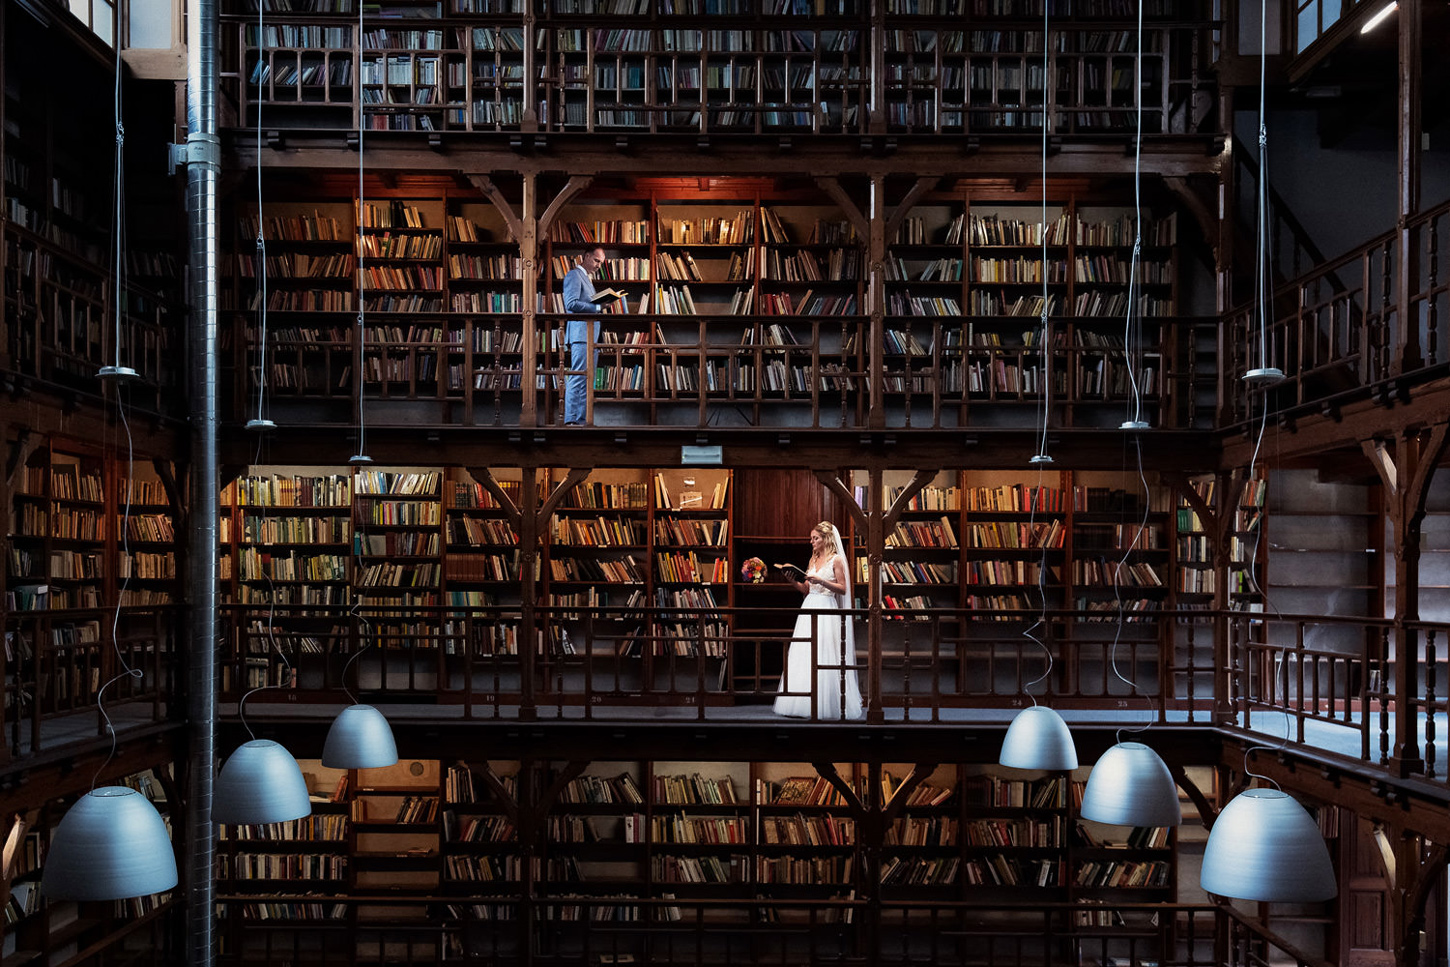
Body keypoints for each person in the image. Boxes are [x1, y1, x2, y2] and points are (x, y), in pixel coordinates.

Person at [773, 521, 865, 720]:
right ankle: (800, 700)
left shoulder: (836, 560)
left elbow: (843, 588)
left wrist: (822, 581)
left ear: (826, 539)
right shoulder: (813, 558)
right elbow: (807, 589)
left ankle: (827, 702)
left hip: (826, 607)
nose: (812, 542)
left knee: (825, 652)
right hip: (809, 607)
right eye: (811, 538)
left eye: (815, 538)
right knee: (804, 652)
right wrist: (793, 581)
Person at [561, 245, 607, 425]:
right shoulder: (574, 275)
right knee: (579, 376)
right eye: (596, 261)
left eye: (601, 263)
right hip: (581, 334)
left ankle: (582, 420)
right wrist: (597, 307)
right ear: (586, 256)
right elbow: (571, 303)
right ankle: (572, 420)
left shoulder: (588, 279)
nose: (598, 266)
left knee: (587, 379)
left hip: (591, 335)